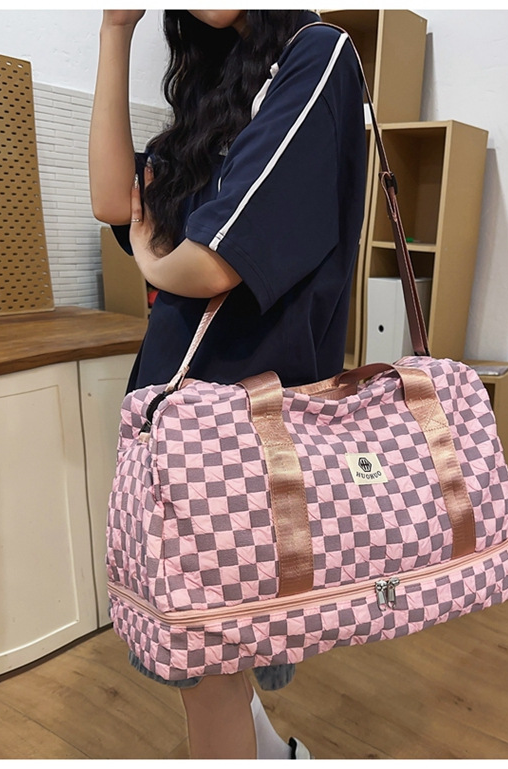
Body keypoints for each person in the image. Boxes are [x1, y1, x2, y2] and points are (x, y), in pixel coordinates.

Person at [89, 8, 366, 760]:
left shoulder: (318, 55)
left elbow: (214, 263)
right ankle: (276, 753)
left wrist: (154, 260)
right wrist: (115, 29)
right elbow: (115, 200)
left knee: (205, 661)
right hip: (178, 414)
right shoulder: (221, 86)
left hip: (243, 428)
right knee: (214, 651)